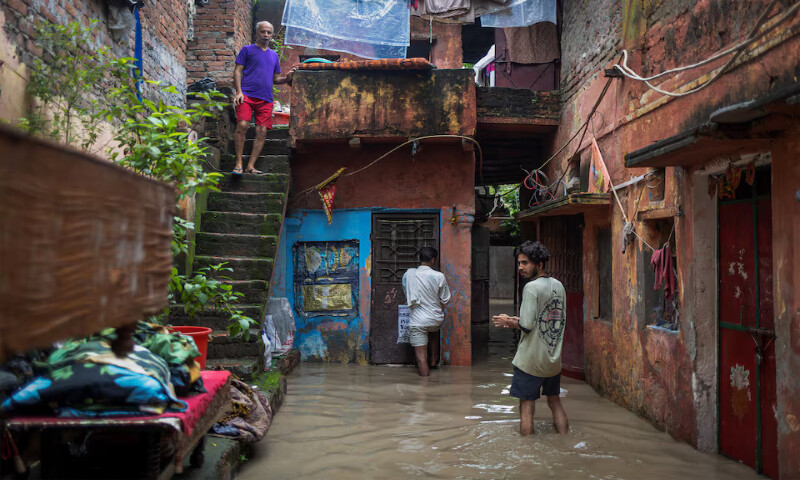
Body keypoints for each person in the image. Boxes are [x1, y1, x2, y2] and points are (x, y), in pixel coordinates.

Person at [493, 240, 569, 435]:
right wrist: (513, 319)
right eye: (519, 263)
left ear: (540, 264)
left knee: (526, 407)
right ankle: (564, 440)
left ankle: (526, 457)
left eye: (525, 263)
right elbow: (541, 320)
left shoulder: (531, 288)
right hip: (552, 360)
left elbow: (526, 326)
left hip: (531, 362)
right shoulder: (558, 285)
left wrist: (507, 322)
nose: (520, 267)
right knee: (554, 401)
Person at [231, 21, 297, 175]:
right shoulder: (247, 50)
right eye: (263, 32)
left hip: (266, 99)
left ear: (272, 35)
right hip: (246, 94)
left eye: (269, 32)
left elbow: (276, 79)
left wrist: (287, 78)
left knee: (261, 131)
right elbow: (237, 71)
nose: (266, 35)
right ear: (256, 33)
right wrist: (239, 91)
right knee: (242, 125)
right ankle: (239, 163)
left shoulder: (274, 56)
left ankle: (251, 166)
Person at [402, 246, 451, 377]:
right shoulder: (439, 276)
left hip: (418, 322)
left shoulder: (408, 275)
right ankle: (434, 360)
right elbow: (445, 299)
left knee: (421, 358)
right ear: (433, 260)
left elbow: (407, 293)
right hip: (436, 319)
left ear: (420, 259)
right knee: (433, 330)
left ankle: (425, 388)